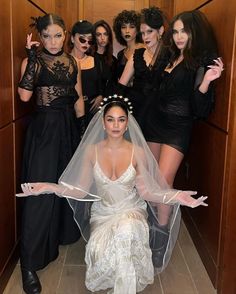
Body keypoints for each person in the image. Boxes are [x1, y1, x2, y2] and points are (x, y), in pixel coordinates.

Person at [17, 95, 208, 294]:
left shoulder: (138, 152)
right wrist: (48, 187)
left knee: (126, 230)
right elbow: (79, 190)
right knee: (100, 251)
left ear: (127, 124)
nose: (116, 125)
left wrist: (177, 196)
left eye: (121, 119)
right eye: (110, 119)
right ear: (103, 123)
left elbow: (147, 192)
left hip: (131, 210)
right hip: (103, 213)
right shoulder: (91, 151)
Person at [144, 9, 224, 267]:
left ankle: (161, 236)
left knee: (164, 182)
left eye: (184, 31)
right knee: (149, 177)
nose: (179, 36)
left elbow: (200, 109)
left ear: (194, 32)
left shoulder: (203, 61)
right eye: (176, 31)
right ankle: (149, 224)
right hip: (155, 122)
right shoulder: (171, 55)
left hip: (178, 127)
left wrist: (206, 83)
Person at [18, 13, 84, 294]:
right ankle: (28, 264)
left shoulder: (73, 61)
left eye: (58, 35)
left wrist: (82, 135)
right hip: (44, 130)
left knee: (63, 186)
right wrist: (32, 59)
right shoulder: (31, 60)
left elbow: (78, 99)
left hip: (68, 128)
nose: (53, 41)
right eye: (47, 36)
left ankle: (58, 237)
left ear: (66, 34)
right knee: (39, 194)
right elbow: (23, 96)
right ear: (40, 37)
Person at [118, 6, 167, 132]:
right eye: (143, 33)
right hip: (136, 113)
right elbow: (121, 87)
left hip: (160, 116)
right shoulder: (137, 54)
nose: (145, 37)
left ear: (160, 30)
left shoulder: (170, 56)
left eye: (149, 32)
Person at [70, 20, 103, 125]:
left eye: (90, 41)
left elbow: (105, 84)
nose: (86, 43)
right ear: (72, 38)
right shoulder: (64, 62)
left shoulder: (96, 60)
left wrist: (101, 96)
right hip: (70, 111)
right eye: (82, 39)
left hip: (92, 111)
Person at [113, 10, 143, 84]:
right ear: (119, 31)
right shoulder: (120, 54)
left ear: (138, 30)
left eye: (132, 27)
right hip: (124, 93)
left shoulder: (145, 50)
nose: (127, 31)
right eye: (123, 27)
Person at [93, 19, 118, 97]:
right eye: (98, 34)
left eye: (105, 34)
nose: (102, 38)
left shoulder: (114, 61)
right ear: (94, 37)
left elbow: (114, 86)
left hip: (107, 101)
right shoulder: (88, 58)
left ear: (109, 36)